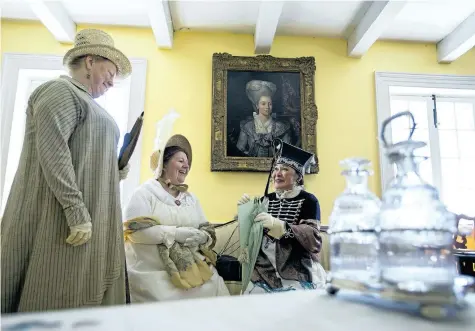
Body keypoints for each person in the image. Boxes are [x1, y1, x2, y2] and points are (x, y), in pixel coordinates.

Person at [1, 29, 132, 313]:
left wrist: (117, 167)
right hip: (61, 218)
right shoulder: (60, 91)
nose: (112, 81)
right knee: (57, 287)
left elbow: (85, 158)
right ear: (89, 62)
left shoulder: (89, 103)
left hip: (92, 216)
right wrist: (75, 211)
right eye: (109, 72)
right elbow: (54, 151)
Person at [124, 133, 230, 302]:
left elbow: (207, 230)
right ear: (164, 164)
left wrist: (202, 237)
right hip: (153, 274)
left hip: (192, 270)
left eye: (187, 162)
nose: (186, 165)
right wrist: (175, 234)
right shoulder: (144, 193)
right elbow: (136, 233)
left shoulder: (191, 198)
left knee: (214, 286)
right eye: (181, 160)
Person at [238, 140, 326, 293]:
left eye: (284, 169)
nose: (277, 174)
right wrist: (244, 211)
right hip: (263, 267)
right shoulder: (265, 199)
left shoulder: (309, 200)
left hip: (295, 264)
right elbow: (250, 234)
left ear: (298, 176)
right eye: (276, 169)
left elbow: (313, 238)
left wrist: (282, 227)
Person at [236, 80, 292, 157]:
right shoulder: (247, 126)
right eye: (263, 104)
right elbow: (239, 149)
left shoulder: (281, 127)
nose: (267, 107)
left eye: (270, 104)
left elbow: (287, 152)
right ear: (257, 105)